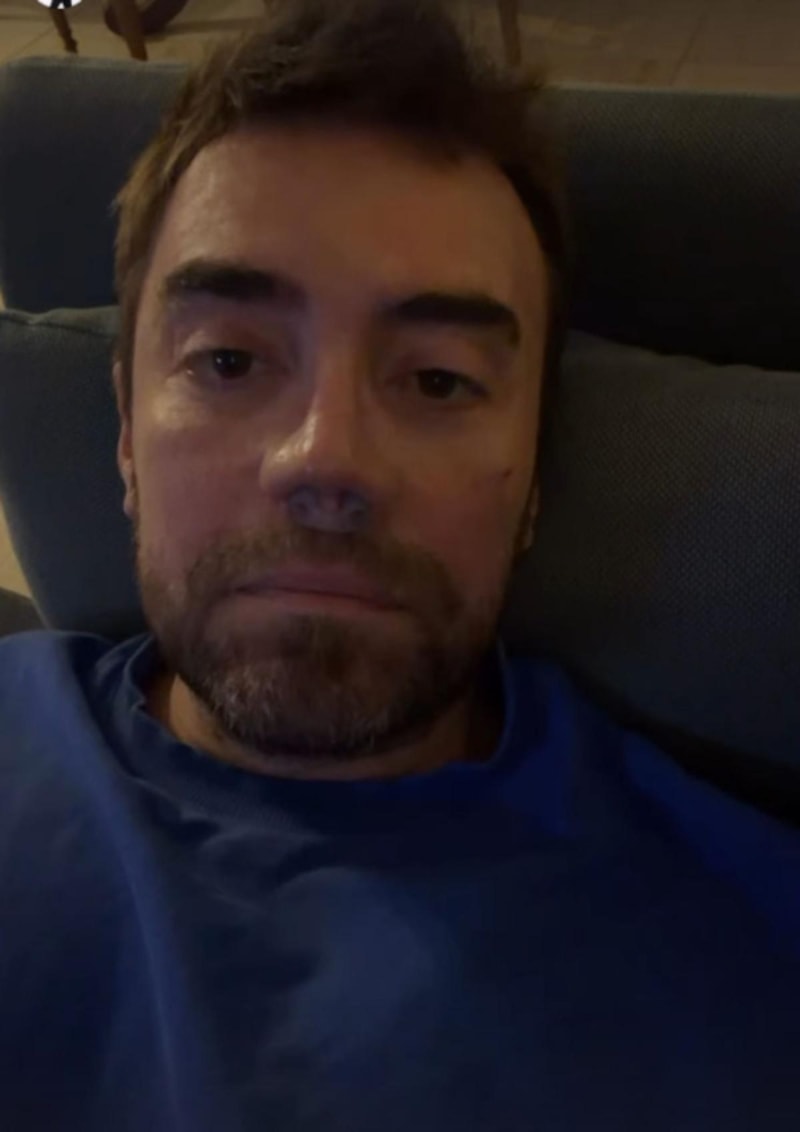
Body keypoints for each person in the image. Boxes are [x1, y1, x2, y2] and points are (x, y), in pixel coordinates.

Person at [1, 1, 798, 1129]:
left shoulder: (748, 969)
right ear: (127, 434)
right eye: (228, 361)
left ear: (533, 476)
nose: (326, 459)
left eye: (436, 380)